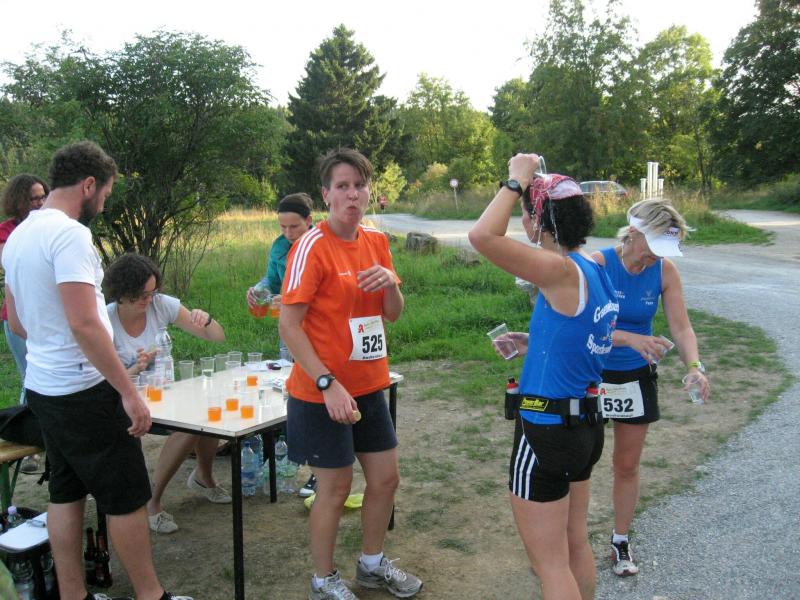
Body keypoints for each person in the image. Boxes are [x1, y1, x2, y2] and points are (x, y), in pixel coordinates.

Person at [2, 140, 193, 600]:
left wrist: (51, 343)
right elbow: (86, 323)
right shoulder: (70, 235)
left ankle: (74, 595)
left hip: (44, 388)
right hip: (85, 390)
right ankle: (151, 595)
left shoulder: (19, 235)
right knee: (126, 496)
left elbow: (18, 322)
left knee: (65, 493)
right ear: (89, 184)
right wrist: (127, 391)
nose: (104, 204)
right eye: (105, 193)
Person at [468, 154, 618, 600]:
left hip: (545, 430)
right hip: (584, 426)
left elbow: (481, 236)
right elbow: (582, 335)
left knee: (549, 565)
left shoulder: (558, 270)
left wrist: (516, 180)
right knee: (574, 545)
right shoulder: (593, 270)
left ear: (537, 220)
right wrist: (532, 342)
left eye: (524, 214)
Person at [279, 148, 422, 600]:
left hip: (369, 386)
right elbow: (289, 325)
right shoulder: (311, 246)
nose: (353, 195)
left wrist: (392, 282)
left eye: (360, 186)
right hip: (321, 391)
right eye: (342, 186)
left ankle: (372, 565)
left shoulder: (376, 241)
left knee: (385, 479)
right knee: (336, 488)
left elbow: (392, 313)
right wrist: (327, 383)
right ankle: (324, 580)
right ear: (326, 194)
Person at [590, 198, 710, 577]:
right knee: (578, 462)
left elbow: (681, 327)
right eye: (652, 248)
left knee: (626, 465)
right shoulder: (598, 264)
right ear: (633, 233)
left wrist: (694, 366)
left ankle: (620, 540)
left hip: (634, 377)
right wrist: (630, 338)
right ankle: (564, 542)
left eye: (663, 251)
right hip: (591, 375)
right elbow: (583, 327)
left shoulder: (664, 271)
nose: (654, 258)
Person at [104, 253, 229, 534]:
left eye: (152, 292)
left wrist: (206, 319)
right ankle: (152, 501)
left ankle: (203, 477)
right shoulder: (106, 320)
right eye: (141, 295)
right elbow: (103, 380)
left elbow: (217, 337)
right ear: (122, 294)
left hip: (165, 394)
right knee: (190, 425)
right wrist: (136, 367)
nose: (148, 300)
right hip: (126, 400)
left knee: (208, 411)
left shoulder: (160, 305)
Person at [245, 193, 318, 497]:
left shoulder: (320, 246)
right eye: (283, 227)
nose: (288, 233)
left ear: (309, 222)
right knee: (292, 393)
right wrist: (258, 289)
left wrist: (288, 299)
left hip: (318, 333)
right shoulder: (279, 247)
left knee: (317, 398)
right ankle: (287, 456)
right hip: (289, 331)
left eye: (294, 227)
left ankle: (319, 471)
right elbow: (272, 281)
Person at [0, 173, 49, 473]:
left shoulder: (50, 226)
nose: (40, 203)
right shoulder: (7, 231)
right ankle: (26, 442)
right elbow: (11, 262)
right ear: (18, 200)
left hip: (45, 315)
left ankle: (40, 436)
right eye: (33, 198)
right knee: (31, 375)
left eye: (43, 196)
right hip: (18, 317)